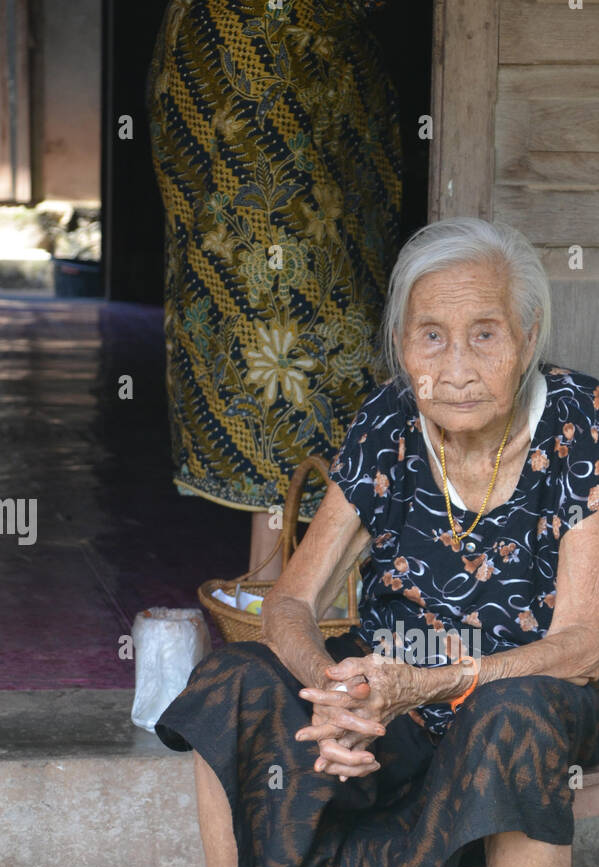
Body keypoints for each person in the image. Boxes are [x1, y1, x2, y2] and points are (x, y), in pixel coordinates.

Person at [150, 217, 599, 867]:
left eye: (483, 334)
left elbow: (579, 640)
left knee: (512, 712)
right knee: (234, 687)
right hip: (395, 692)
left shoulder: (577, 417)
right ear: (402, 346)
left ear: (527, 339)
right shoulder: (386, 422)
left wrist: (434, 683)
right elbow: (289, 605)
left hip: (543, 687)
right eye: (430, 336)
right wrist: (334, 687)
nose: (454, 364)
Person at [145, 0, 401, 577]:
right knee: (288, 350)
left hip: (274, 96)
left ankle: (294, 591)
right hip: (261, 104)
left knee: (295, 340)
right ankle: (279, 595)